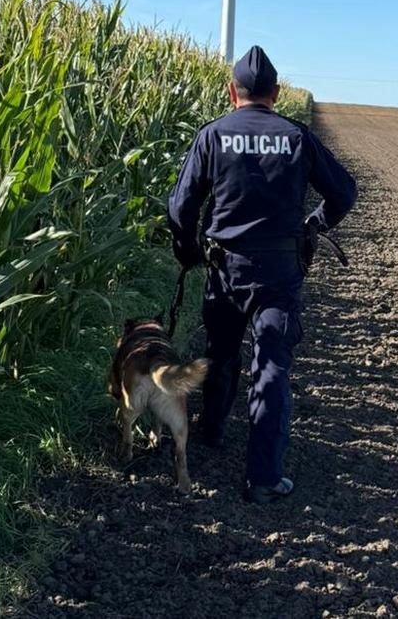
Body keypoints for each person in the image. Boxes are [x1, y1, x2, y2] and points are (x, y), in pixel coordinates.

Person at [167, 45, 357, 503]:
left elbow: (181, 206)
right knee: (271, 366)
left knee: (221, 351)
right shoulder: (296, 137)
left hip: (225, 267)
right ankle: (264, 478)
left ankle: (211, 430)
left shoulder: (212, 135)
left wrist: (188, 251)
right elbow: (344, 193)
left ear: (233, 92)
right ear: (275, 93)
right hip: (279, 270)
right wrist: (313, 225)